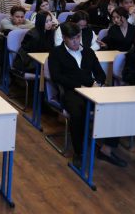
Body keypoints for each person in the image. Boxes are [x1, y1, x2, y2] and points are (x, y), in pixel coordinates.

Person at [48, 22, 126, 169]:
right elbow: (57, 77)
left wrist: (97, 83)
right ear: (64, 38)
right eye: (72, 38)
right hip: (71, 91)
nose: (76, 41)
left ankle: (107, 150)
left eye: (78, 37)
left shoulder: (88, 52)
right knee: (78, 113)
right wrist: (80, 86)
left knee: (114, 107)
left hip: (92, 89)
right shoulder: (56, 53)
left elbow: (100, 73)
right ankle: (79, 152)